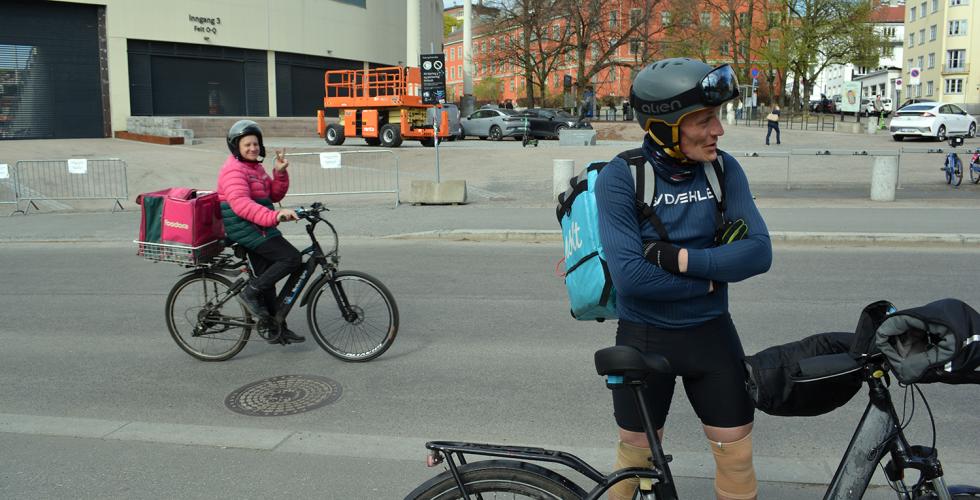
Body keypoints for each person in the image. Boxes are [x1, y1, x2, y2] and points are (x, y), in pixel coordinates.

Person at [594, 58, 772, 500]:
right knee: (634, 461)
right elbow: (632, 278)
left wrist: (683, 259)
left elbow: (759, 252)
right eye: (705, 119)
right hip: (643, 338)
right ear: (664, 126)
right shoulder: (622, 177)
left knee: (737, 458)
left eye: (718, 117)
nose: (719, 130)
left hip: (712, 337)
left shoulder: (723, 169)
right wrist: (715, 275)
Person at [216, 120, 305, 344]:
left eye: (256, 144)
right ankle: (250, 291)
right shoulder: (233, 171)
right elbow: (242, 205)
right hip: (246, 230)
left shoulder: (255, 167)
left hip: (260, 228)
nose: (253, 148)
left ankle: (277, 329)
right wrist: (275, 216)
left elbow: (272, 196)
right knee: (291, 258)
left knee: (270, 281)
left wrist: (279, 173)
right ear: (236, 147)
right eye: (247, 145)